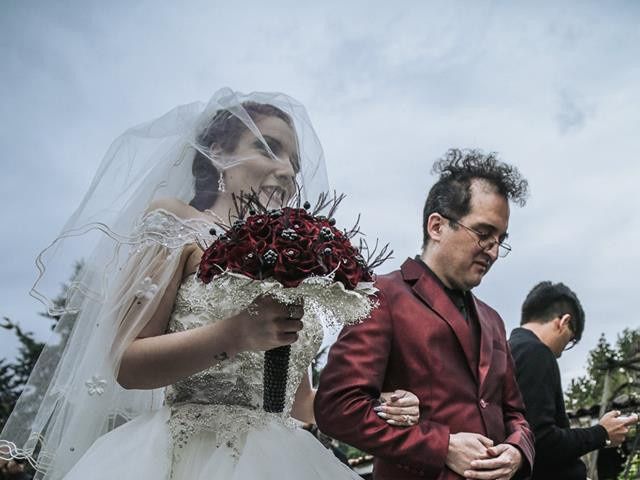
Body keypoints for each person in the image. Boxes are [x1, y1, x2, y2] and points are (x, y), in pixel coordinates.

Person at [0, 88, 419, 479]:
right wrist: (233, 334)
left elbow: (299, 402)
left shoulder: (291, 262)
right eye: (268, 148)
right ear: (217, 153)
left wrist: (370, 408)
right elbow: (127, 364)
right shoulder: (176, 223)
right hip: (184, 454)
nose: (286, 169)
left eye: (294, 162)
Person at [314, 149, 536, 480]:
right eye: (483, 233)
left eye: (500, 240)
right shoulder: (382, 295)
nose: (493, 251)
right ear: (436, 225)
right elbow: (337, 408)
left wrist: (518, 449)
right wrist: (442, 445)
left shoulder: (493, 320)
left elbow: (515, 413)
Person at [508, 281, 639, 480]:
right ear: (564, 321)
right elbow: (540, 441)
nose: (561, 353)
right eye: (570, 340)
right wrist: (601, 433)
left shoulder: (510, 350)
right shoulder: (537, 353)